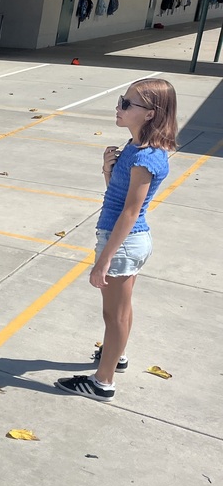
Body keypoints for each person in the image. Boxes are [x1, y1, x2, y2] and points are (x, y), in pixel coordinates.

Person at [55, 79, 176, 403]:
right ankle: (116, 354)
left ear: (150, 113)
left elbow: (130, 212)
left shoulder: (147, 157)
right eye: (121, 100)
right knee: (121, 310)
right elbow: (118, 197)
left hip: (123, 241)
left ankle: (102, 382)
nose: (119, 108)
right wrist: (108, 170)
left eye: (127, 104)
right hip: (126, 240)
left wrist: (104, 260)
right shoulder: (134, 147)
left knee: (114, 316)